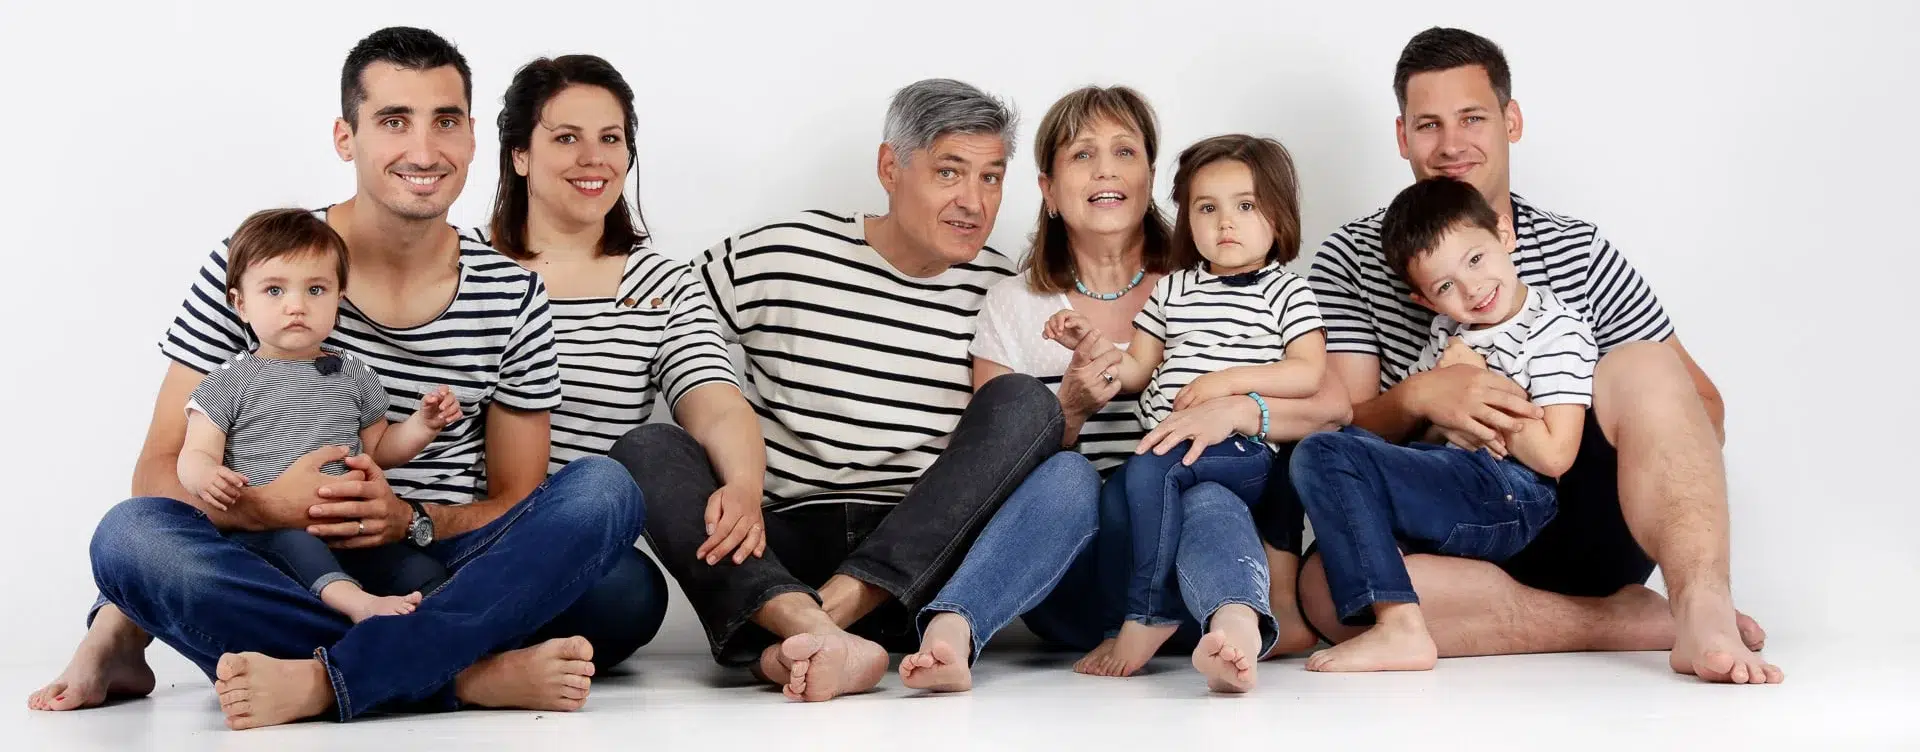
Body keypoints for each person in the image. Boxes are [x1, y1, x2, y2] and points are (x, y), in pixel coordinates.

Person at [26, 27, 656, 728]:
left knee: (614, 522)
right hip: (284, 561)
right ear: (345, 137)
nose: (424, 151)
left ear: (473, 137)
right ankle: (466, 672)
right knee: (130, 538)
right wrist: (267, 509)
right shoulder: (258, 265)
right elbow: (159, 472)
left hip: (437, 562)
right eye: (394, 121)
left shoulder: (512, 295)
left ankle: (328, 679)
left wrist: (410, 519)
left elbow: (517, 499)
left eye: (445, 121)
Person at [1296, 26, 1781, 684]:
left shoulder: (1579, 251)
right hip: (1448, 524)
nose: (1451, 143)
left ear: (1510, 120)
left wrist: (1545, 422)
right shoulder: (1353, 258)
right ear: (1403, 137)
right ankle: (1622, 623)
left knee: (1640, 366)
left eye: (1472, 117)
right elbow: (1337, 419)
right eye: (1428, 124)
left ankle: (1701, 610)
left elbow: (1704, 408)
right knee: (1327, 589)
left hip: (1578, 513)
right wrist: (1420, 398)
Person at [610, 78, 1064, 703]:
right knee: (647, 447)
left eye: (991, 178)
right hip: (779, 546)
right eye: (950, 172)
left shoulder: (1005, 288)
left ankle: (806, 634)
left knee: (1025, 403)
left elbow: (1022, 447)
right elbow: (665, 311)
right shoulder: (786, 251)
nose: (973, 201)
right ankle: (807, 628)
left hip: (918, 560)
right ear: (889, 167)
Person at [895, 88, 1349, 696]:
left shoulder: (1217, 281)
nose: (1106, 169)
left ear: (1152, 181)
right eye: (1082, 155)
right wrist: (1073, 409)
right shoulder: (1015, 304)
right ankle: (953, 632)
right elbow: (988, 472)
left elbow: (1333, 404)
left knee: (1209, 492)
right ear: (1049, 190)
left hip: (1193, 585)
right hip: (1070, 580)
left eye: (1124, 152)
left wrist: (1238, 409)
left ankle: (1238, 631)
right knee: (1071, 476)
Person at [475, 53, 765, 654]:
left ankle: (439, 639)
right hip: (458, 530)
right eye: (566, 138)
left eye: (611, 138)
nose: (594, 158)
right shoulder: (460, 263)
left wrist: (742, 485)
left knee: (631, 594)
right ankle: (472, 654)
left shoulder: (662, 285)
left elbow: (714, 403)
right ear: (519, 155)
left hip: (568, 544)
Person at [1042, 134, 1325, 678]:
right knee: (1123, 492)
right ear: (1186, 218)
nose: (1226, 223)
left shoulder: (1287, 291)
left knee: (1150, 470)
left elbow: (1309, 371)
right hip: (1165, 444)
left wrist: (1229, 383)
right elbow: (1135, 371)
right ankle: (1150, 606)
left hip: (1241, 449)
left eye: (1246, 206)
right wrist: (1089, 345)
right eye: (1206, 208)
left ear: (1278, 215)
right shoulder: (1172, 290)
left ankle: (1150, 613)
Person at [1293, 177, 1596, 672]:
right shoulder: (1447, 334)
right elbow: (1426, 433)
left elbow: (1556, 456)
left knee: (1326, 454)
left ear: (1504, 234)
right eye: (1445, 287)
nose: (1472, 289)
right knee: (1329, 443)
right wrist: (1441, 401)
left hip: (1516, 493)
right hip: (1455, 476)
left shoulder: (1556, 331)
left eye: (1475, 260)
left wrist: (1474, 382)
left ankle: (1400, 628)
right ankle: (1386, 565)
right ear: (1425, 301)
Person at [183, 208, 463, 624]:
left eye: (315, 290)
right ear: (240, 304)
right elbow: (192, 455)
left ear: (339, 299)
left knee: (425, 572)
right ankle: (357, 606)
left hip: (353, 531)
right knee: (300, 548)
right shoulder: (229, 381)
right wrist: (207, 475)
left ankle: (437, 630)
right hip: (270, 533)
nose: (296, 306)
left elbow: (381, 450)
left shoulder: (354, 374)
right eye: (274, 291)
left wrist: (424, 425)